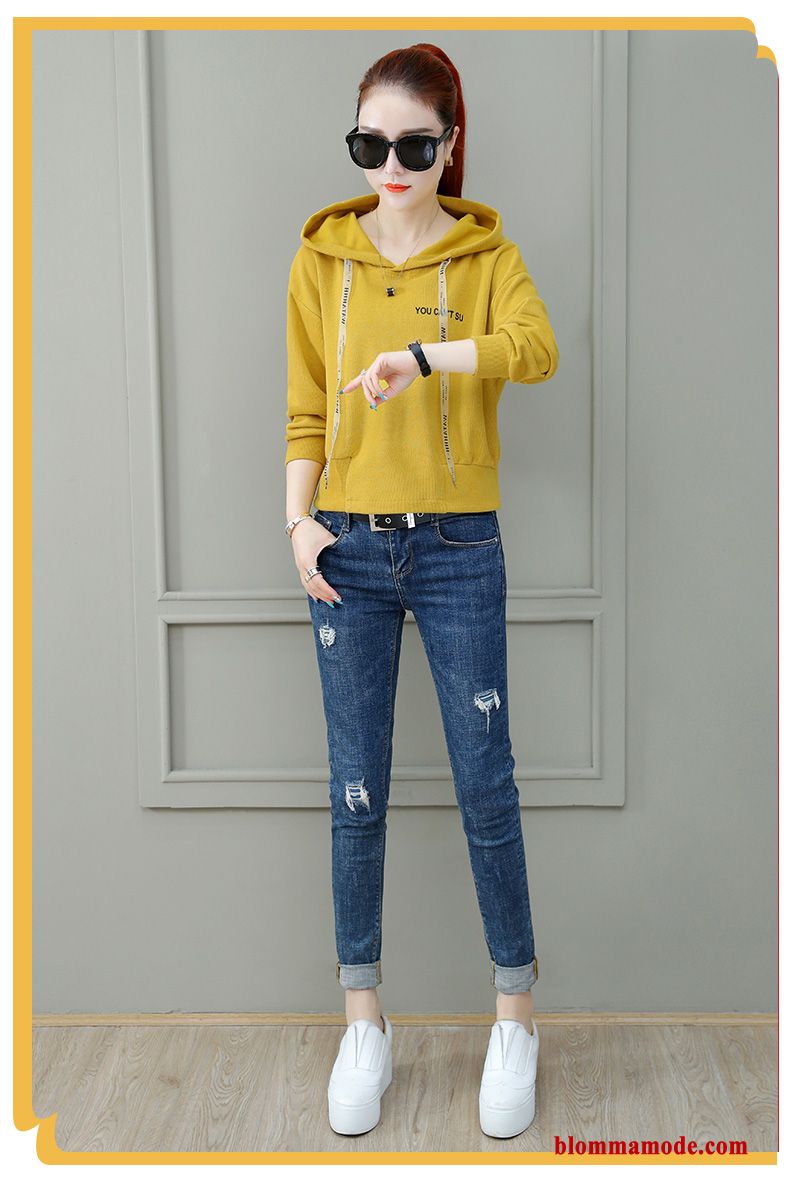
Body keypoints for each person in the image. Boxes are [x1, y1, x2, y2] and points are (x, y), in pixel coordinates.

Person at [283, 43, 559, 1139]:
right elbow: (305, 407)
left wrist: (425, 359)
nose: (390, 167)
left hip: (457, 548)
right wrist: (297, 524)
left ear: (450, 145)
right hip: (344, 551)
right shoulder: (321, 259)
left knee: (486, 787)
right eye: (370, 144)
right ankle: (364, 1019)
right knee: (356, 791)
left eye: (413, 146)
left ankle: (515, 1018)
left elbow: (535, 350)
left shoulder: (487, 254)